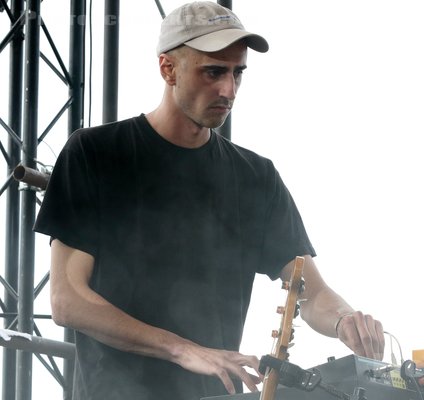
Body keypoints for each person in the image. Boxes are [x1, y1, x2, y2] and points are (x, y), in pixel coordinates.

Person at [34, 2, 385, 399]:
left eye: (238, 73)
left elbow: (311, 290)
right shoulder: (94, 153)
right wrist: (181, 349)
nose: (228, 89)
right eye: (213, 72)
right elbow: (67, 300)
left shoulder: (256, 177)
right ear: (168, 68)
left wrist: (343, 321)